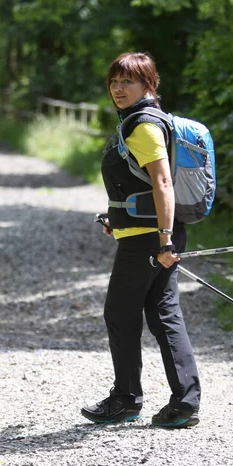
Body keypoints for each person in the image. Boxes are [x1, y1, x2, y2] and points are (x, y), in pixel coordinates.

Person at [81, 52, 201, 428]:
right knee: (163, 314)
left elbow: (163, 182)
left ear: (148, 85)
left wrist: (164, 241)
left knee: (120, 312)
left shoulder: (143, 126)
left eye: (127, 82)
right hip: (150, 233)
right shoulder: (139, 121)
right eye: (114, 81)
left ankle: (126, 399)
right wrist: (115, 217)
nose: (118, 88)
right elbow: (137, 183)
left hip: (150, 240)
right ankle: (184, 403)